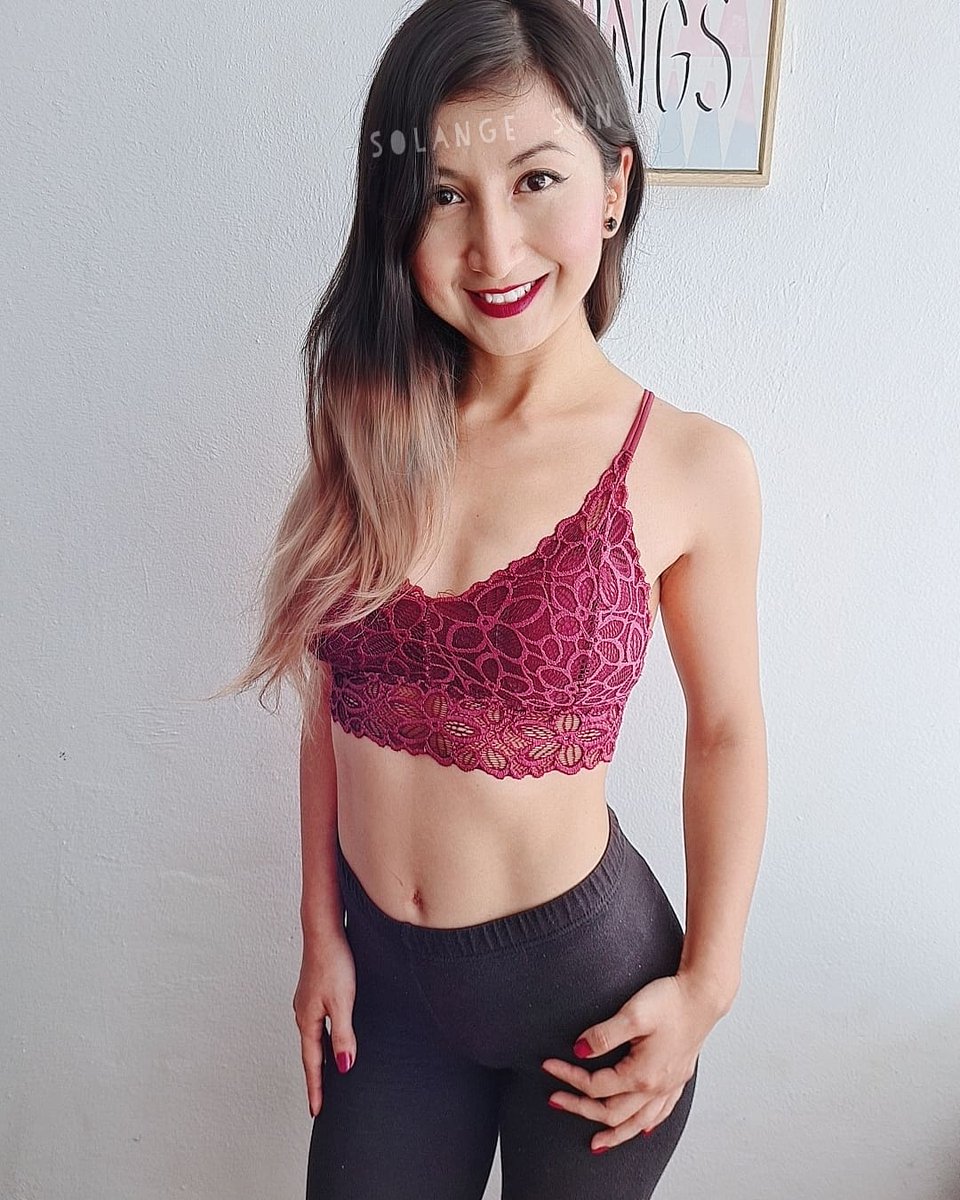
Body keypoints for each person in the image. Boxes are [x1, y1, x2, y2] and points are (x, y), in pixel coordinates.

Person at [216, 1, 768, 1196]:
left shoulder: (691, 465)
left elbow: (726, 733)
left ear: (613, 185)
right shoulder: (366, 430)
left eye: (536, 180)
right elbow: (332, 705)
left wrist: (709, 987)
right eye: (445, 195)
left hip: (589, 1002)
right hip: (384, 992)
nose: (495, 249)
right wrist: (320, 931)